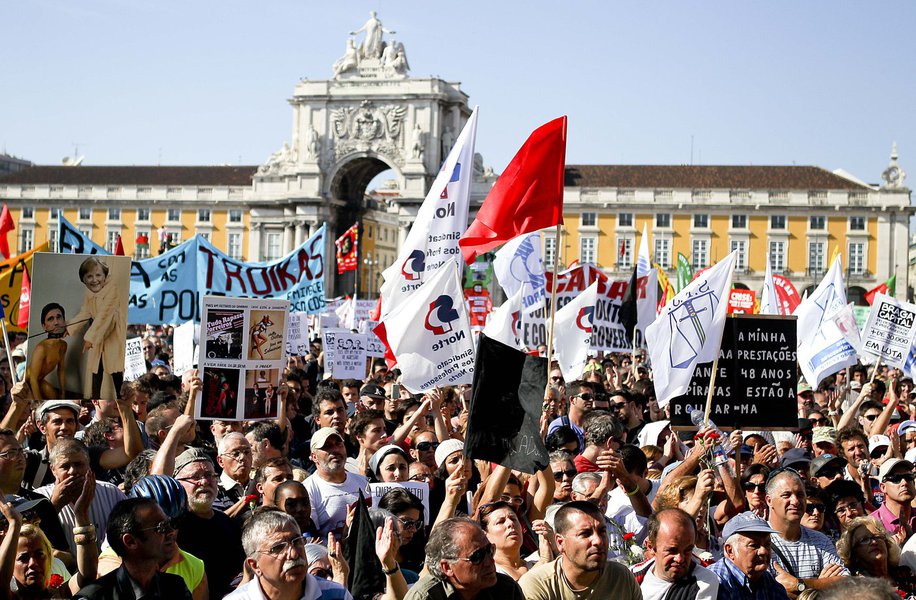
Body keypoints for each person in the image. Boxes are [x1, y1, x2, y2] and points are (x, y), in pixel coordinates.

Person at [73, 497, 191, 600]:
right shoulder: (95, 597)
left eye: (169, 523)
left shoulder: (176, 587)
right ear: (130, 541)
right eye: (161, 527)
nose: (171, 532)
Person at [518, 501, 641, 600]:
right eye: (585, 534)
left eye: (602, 532)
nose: (598, 541)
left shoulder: (621, 577)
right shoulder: (538, 585)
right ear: (560, 542)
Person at [225, 510, 353, 600]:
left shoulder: (338, 595)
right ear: (254, 565)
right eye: (278, 548)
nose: (294, 554)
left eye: (297, 542)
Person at [170, 448, 245, 600]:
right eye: (195, 477)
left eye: (209, 475)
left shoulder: (227, 523)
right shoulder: (173, 529)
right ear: (177, 484)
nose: (204, 482)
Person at [34, 439, 127, 556]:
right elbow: (32, 535)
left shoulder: (110, 492)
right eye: (65, 466)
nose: (73, 471)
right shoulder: (39, 498)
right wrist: (54, 506)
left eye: (78, 464)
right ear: (53, 470)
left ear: (89, 464)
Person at [765, 468, 848, 595]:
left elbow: (845, 582)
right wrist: (822, 585)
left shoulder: (821, 541)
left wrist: (799, 585)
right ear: (769, 500)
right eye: (786, 495)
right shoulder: (758, 542)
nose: (795, 501)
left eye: (800, 495)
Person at [405, 517, 524, 600]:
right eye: (477, 556)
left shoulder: (507, 589)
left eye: (490, 550)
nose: (490, 561)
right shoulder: (425, 596)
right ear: (447, 567)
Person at [67, 256, 126, 400]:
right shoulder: (90, 293)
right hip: (97, 337)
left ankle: (121, 402)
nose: (94, 280)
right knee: (96, 371)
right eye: (89, 276)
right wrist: (68, 328)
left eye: (98, 275)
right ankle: (94, 402)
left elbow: (103, 316)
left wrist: (90, 339)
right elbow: (85, 312)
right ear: (83, 279)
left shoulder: (112, 290)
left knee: (116, 372)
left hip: (111, 335)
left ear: (105, 276)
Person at [630, 508, 719, 600]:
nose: (680, 559)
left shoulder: (704, 582)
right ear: (651, 547)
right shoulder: (631, 577)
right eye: (672, 551)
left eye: (688, 550)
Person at [708, 511, 790, 600]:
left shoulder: (766, 580)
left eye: (767, 545)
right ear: (730, 551)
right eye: (754, 545)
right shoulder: (715, 581)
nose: (764, 551)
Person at [303, 427, 368, 538]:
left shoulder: (363, 482)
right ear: (314, 457)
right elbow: (312, 539)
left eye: (339, 444)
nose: (335, 450)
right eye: (327, 446)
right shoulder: (307, 490)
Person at [837, 516, 916, 596]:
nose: (874, 542)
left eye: (877, 536)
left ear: (886, 543)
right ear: (854, 554)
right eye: (864, 540)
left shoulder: (905, 574)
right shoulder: (858, 591)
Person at [26, 303, 68, 402]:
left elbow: (61, 370)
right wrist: (39, 403)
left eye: (59, 317)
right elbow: (33, 379)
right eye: (50, 319)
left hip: (39, 381)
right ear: (44, 326)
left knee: (54, 396)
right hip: (27, 383)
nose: (56, 322)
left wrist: (63, 393)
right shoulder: (41, 348)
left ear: (64, 321)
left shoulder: (63, 345)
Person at [871, 458, 916, 541]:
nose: (904, 482)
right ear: (883, 487)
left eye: (909, 477)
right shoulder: (871, 524)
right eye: (896, 478)